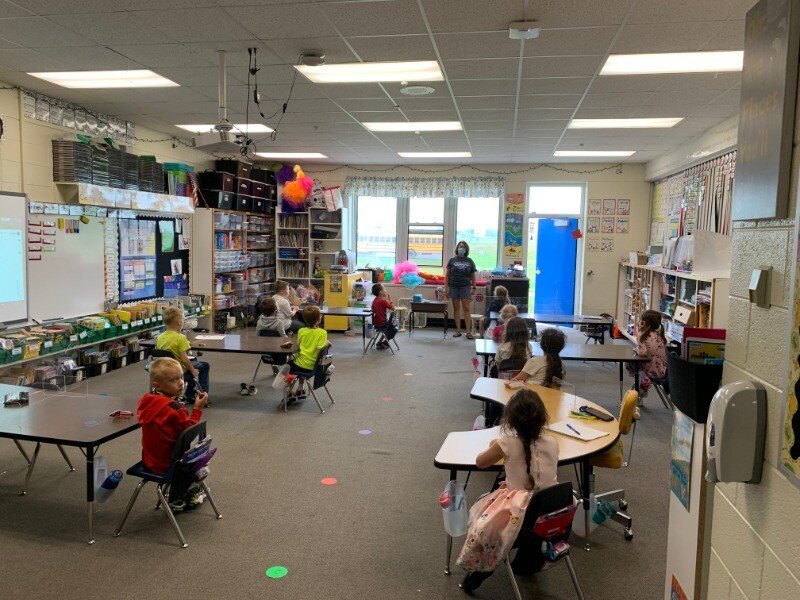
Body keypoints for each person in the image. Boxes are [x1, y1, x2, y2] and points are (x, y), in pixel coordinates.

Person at [457, 388, 559, 591]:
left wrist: (497, 446)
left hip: (516, 519)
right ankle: (527, 560)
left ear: (510, 419)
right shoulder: (553, 442)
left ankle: (483, 567)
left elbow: (480, 462)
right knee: (523, 521)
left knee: (483, 520)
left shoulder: (506, 442)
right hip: (550, 515)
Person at [138, 357, 207, 512]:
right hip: (170, 465)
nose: (181, 383)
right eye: (173, 380)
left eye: (181, 377)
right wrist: (197, 409)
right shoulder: (175, 409)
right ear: (157, 385)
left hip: (150, 460)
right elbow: (189, 434)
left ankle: (179, 493)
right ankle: (177, 499)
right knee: (200, 457)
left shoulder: (146, 400)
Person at [155, 306, 209, 403]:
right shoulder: (180, 338)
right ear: (180, 323)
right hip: (179, 370)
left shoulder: (160, 337)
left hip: (164, 369)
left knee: (194, 362)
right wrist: (193, 371)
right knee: (204, 366)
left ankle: (189, 394)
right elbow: (184, 359)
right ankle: (203, 396)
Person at [629, 310, 668, 395]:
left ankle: (642, 384)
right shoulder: (659, 335)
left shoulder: (644, 336)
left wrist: (639, 338)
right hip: (661, 370)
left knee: (630, 361)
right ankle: (642, 384)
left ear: (644, 323)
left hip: (651, 371)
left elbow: (642, 352)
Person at [445, 240, 478, 339]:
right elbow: (447, 276)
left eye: (463, 247)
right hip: (453, 286)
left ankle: (468, 332)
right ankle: (458, 330)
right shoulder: (452, 260)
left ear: (466, 249)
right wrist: (446, 288)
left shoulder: (470, 261)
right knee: (456, 308)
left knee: (466, 309)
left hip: (465, 287)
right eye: (460, 246)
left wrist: (474, 287)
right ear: (457, 248)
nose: (461, 248)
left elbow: (473, 276)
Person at [371, 282, 397, 350]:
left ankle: (379, 342)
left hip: (376, 323)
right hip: (383, 324)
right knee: (394, 329)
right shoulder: (383, 301)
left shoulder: (375, 300)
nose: (385, 290)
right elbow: (393, 308)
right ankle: (384, 342)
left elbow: (372, 309)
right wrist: (390, 300)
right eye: (384, 289)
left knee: (387, 329)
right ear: (380, 292)